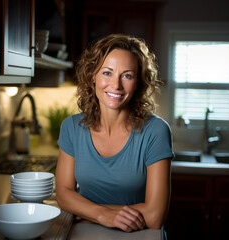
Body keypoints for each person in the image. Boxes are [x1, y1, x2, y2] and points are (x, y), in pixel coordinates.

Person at [55, 34, 174, 233]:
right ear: (93, 76)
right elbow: (63, 195)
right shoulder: (71, 127)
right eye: (107, 73)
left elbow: (154, 216)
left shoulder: (156, 131)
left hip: (138, 236)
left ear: (137, 83)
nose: (116, 85)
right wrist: (102, 215)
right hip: (84, 234)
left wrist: (85, 211)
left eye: (127, 75)